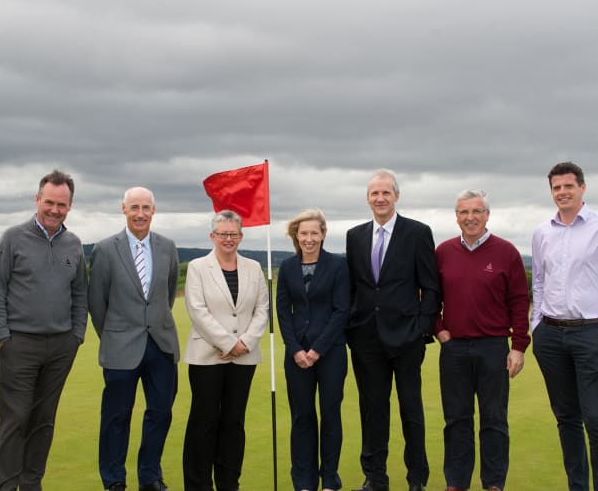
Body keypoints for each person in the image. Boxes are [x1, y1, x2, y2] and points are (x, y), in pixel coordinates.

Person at [0, 170, 89, 491]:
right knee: (14, 420)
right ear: (37, 200)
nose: (55, 210)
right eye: (49, 202)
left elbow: (80, 294)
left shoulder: (73, 244)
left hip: (60, 346)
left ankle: (31, 484)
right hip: (19, 345)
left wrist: (76, 336)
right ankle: (5, 486)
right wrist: (3, 339)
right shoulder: (12, 238)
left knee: (43, 420)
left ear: (69, 206)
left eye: (62, 204)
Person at [531, 162, 598, 491]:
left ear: (582, 188)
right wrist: (536, 326)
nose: (562, 193)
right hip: (550, 335)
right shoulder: (542, 232)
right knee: (566, 419)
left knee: (596, 419)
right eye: (556, 188)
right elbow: (540, 283)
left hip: (591, 333)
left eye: (568, 186)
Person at [344, 168, 440, 491]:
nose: (380, 198)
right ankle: (375, 478)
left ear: (396, 196)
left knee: (411, 411)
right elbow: (354, 287)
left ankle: (417, 479)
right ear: (368, 198)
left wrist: (423, 328)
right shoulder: (355, 236)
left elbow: (431, 286)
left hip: (407, 338)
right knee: (372, 411)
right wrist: (352, 330)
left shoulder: (417, 232)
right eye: (374, 193)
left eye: (386, 192)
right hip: (366, 340)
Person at [434, 190, 530, 491]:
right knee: (456, 420)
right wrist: (438, 329)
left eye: (476, 212)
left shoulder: (507, 252)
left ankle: (493, 483)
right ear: (456, 217)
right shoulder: (444, 252)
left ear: (487, 215)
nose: (470, 218)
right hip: (455, 349)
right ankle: (457, 483)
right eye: (464, 212)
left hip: (493, 347)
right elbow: (429, 296)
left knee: (494, 420)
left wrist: (518, 346)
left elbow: (519, 300)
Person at [88, 187, 181, 491]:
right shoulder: (104, 249)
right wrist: (114, 334)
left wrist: (151, 324)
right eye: (134, 207)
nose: (140, 213)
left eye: (146, 207)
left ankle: (150, 476)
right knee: (116, 417)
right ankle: (114, 480)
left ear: (154, 210)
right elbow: (97, 302)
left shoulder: (167, 246)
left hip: (161, 345)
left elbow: (167, 295)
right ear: (123, 209)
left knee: (160, 413)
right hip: (120, 347)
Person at [181, 210, 270, 491]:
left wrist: (244, 343)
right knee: (204, 422)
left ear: (241, 236)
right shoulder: (197, 267)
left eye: (233, 234)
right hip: (207, 357)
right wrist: (229, 344)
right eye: (223, 234)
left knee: (233, 422)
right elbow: (197, 310)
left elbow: (262, 309)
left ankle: (229, 483)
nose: (228, 239)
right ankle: (198, 485)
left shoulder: (254, 268)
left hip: (244, 358)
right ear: (213, 236)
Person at [276, 208, 350, 491]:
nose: (309, 239)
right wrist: (295, 349)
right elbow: (283, 311)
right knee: (302, 417)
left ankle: (329, 479)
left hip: (330, 353)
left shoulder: (338, 266)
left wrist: (317, 350)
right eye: (303, 233)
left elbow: (341, 310)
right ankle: (304, 481)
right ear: (296, 235)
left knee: (330, 415)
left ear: (323, 235)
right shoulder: (287, 267)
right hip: (296, 355)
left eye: (314, 233)